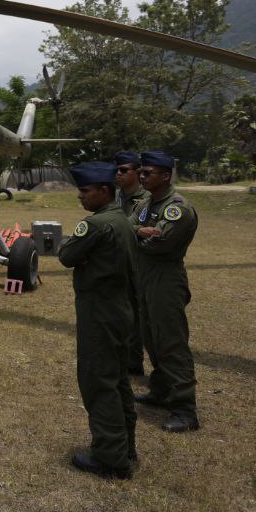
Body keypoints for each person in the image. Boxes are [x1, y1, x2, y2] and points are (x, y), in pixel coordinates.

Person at [58, 160, 138, 479]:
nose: (80, 196)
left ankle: (110, 457)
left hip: (98, 313)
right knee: (118, 381)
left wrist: (82, 253)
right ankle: (125, 446)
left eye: (85, 190)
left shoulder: (95, 225)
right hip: (120, 310)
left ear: (104, 191)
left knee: (98, 382)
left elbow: (66, 256)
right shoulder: (123, 220)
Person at [132, 150, 201, 433]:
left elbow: (158, 244)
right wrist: (138, 231)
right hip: (144, 277)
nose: (142, 176)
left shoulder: (178, 208)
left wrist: (136, 233)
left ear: (165, 175)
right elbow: (128, 227)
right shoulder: (146, 203)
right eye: (141, 172)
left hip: (166, 279)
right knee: (150, 336)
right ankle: (160, 390)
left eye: (147, 173)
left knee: (171, 342)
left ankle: (185, 408)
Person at [114, 150, 148, 377]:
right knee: (124, 314)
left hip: (141, 265)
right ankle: (130, 361)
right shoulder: (118, 196)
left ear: (137, 172)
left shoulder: (147, 199)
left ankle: (137, 361)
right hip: (121, 262)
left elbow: (149, 231)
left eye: (124, 170)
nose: (118, 174)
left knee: (142, 316)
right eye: (116, 170)